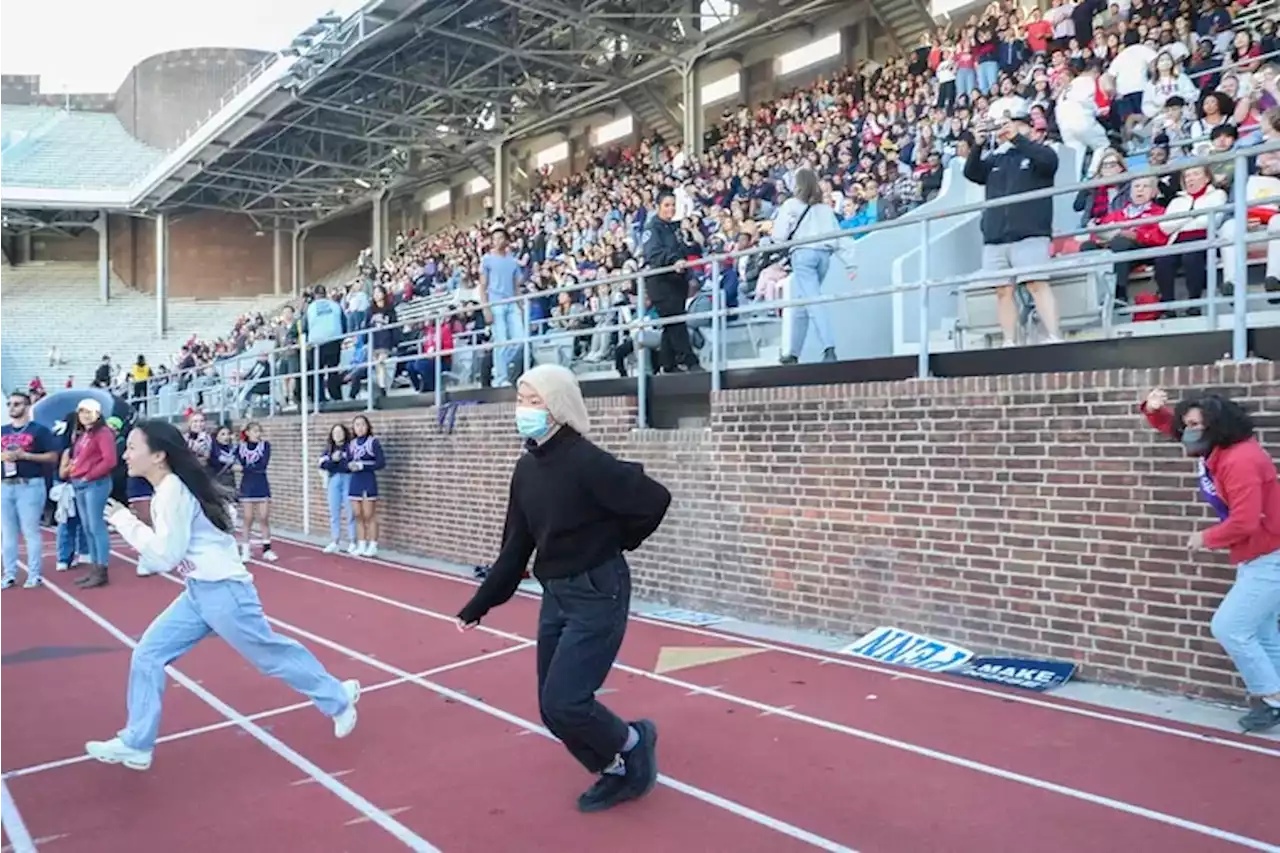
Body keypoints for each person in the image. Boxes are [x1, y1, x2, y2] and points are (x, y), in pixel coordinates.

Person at [456, 364, 672, 812]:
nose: (523, 409)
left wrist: (617, 541)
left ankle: (633, 744)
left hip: (597, 589)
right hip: (556, 594)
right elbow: (517, 547)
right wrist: (480, 603)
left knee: (567, 701)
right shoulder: (527, 469)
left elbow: (654, 500)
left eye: (533, 401)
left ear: (557, 408)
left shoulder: (587, 461)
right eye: (520, 399)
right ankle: (612, 769)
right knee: (552, 708)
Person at [86, 420, 360, 771]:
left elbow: (165, 557)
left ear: (158, 455)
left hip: (225, 592)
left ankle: (337, 699)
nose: (125, 454)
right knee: (148, 654)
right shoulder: (168, 490)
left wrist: (126, 522)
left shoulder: (172, 493)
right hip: (199, 592)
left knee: (271, 655)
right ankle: (137, 743)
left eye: (132, 447)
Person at [1140, 388, 1280, 733]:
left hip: (1270, 554)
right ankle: (1274, 702)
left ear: (1217, 426)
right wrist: (1154, 410)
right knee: (1261, 632)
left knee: (1230, 626)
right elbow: (1172, 428)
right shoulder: (1215, 449)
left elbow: (1246, 521)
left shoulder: (1240, 460)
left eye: (1195, 425)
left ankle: (1271, 698)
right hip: (1259, 554)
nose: (1188, 431)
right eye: (1186, 424)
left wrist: (1205, 538)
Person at [964, 104, 1063, 347]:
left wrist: (1018, 139)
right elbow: (972, 172)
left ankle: (1054, 336)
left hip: (1029, 233)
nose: (1006, 129)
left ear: (1028, 127)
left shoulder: (1040, 153)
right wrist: (977, 144)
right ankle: (1010, 340)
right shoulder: (996, 158)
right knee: (1002, 291)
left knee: (1036, 284)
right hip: (996, 236)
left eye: (1014, 123)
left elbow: (1049, 163)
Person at [0, 389, 59, 589]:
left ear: (26, 407)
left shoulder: (39, 430)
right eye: (10, 404)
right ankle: (9, 574)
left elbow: (52, 457)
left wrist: (26, 456)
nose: (12, 407)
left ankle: (34, 574)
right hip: (5, 486)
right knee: (7, 533)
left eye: (17, 404)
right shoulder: (2, 430)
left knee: (30, 531)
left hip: (30, 485)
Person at [64, 398, 118, 589]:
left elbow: (110, 460)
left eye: (89, 411)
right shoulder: (84, 434)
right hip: (81, 483)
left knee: (96, 526)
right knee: (88, 527)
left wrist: (89, 475)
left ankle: (101, 569)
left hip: (95, 483)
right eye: (82, 411)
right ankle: (95, 568)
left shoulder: (103, 433)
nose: (85, 415)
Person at [236, 421, 276, 562]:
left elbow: (262, 465)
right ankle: (245, 550)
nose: (257, 434)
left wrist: (244, 468)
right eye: (254, 431)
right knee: (248, 518)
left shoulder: (265, 446)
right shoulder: (240, 448)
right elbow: (236, 462)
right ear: (247, 433)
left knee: (264, 517)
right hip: (247, 485)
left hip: (261, 483)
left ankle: (267, 549)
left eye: (259, 431)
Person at [348, 415, 384, 557]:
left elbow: (381, 463)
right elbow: (348, 462)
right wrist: (349, 465)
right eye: (357, 425)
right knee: (357, 514)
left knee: (369, 514)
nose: (360, 428)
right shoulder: (351, 444)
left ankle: (373, 544)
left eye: (363, 424)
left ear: (367, 426)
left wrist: (363, 465)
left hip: (368, 480)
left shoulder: (373, 442)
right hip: (355, 481)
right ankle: (361, 543)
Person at [319, 424, 358, 554]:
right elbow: (323, 465)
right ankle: (335, 541)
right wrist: (333, 460)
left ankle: (353, 541)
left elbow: (350, 465)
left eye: (340, 432)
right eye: (335, 432)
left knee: (350, 512)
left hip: (348, 479)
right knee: (334, 512)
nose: (337, 435)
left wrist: (340, 464)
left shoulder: (351, 447)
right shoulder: (329, 449)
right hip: (334, 480)